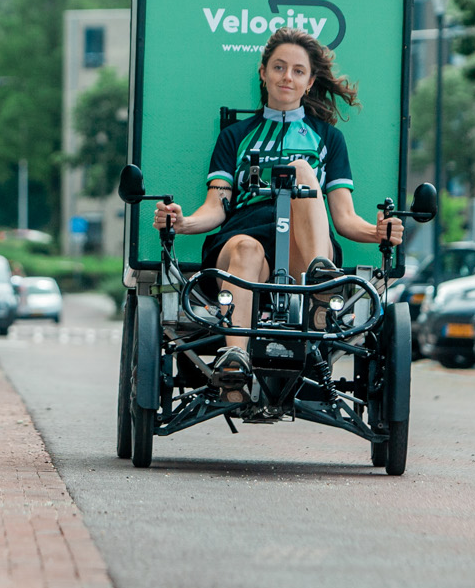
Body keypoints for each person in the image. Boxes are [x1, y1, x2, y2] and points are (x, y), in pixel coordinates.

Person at [153, 28, 403, 395]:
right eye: (279, 67)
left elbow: (345, 218)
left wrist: (378, 232)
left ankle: (320, 284)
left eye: (298, 71)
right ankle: (234, 361)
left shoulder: (328, 138)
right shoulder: (235, 136)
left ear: (310, 81)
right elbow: (216, 207)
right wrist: (182, 221)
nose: (288, 77)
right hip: (244, 238)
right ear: (263, 72)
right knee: (245, 249)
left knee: (302, 170)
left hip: (306, 253)